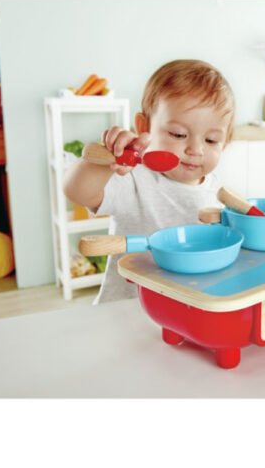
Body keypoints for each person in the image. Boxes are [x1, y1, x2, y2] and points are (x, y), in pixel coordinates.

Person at [64, 59, 235, 304]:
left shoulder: (218, 192)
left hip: (184, 307)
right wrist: (107, 160)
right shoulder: (133, 177)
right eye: (178, 134)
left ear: (225, 141)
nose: (195, 150)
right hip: (126, 309)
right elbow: (76, 192)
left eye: (211, 140)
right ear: (144, 126)